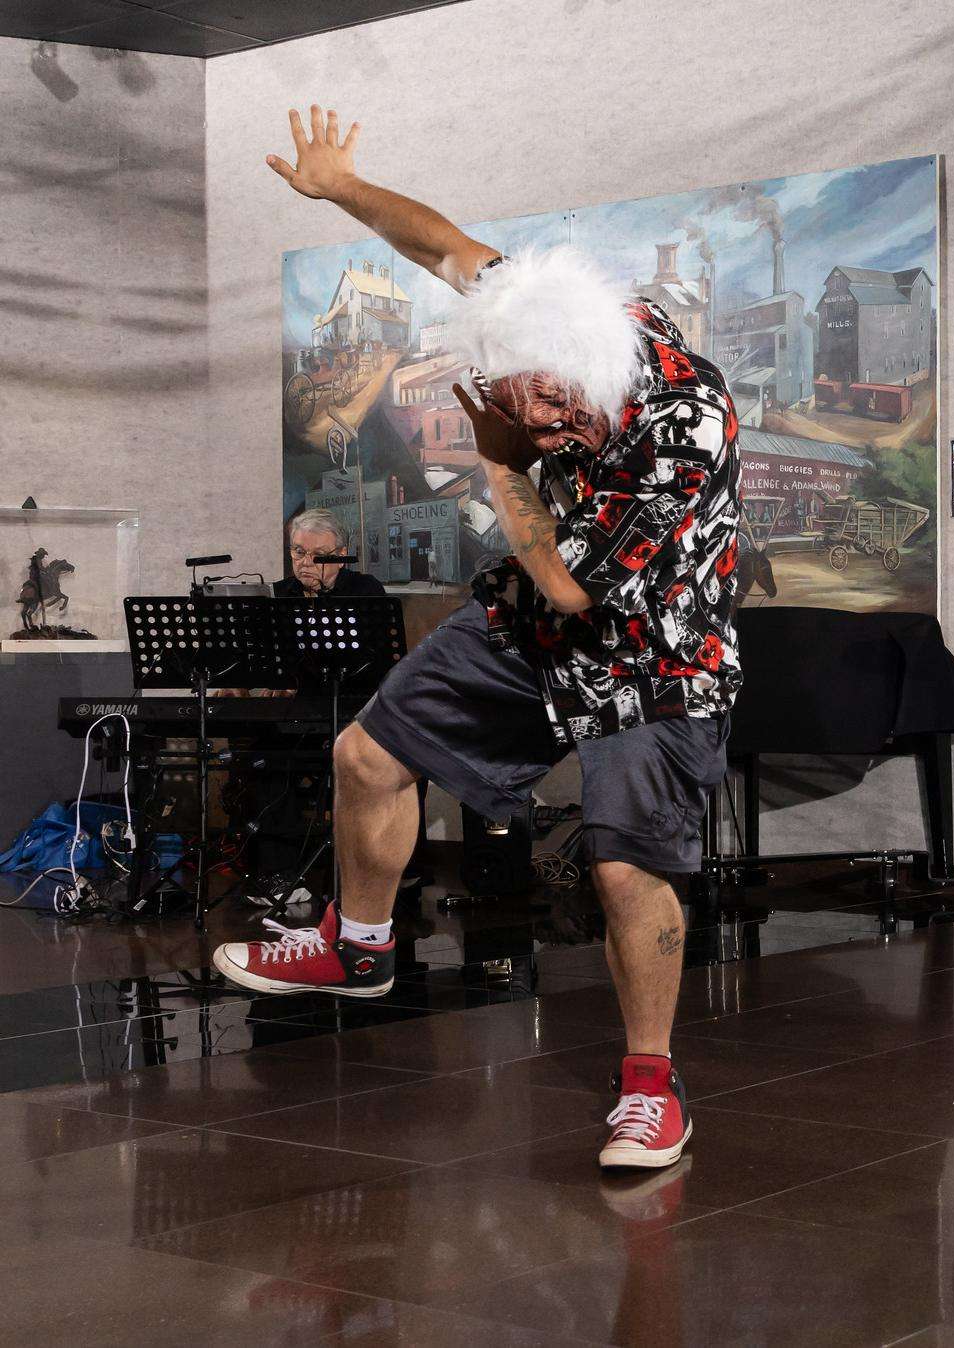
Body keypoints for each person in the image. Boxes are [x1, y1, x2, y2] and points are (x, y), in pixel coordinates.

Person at [212, 106, 743, 1172]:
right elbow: (441, 240)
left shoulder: (683, 424)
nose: (540, 425)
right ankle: (358, 951)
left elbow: (570, 584)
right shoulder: (555, 317)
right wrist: (340, 191)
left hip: (651, 646)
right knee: (366, 752)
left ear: (588, 374)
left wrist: (502, 461)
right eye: (514, 405)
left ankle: (651, 1087)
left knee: (625, 865)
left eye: (551, 412)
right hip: (538, 621)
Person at [276, 508, 386, 599]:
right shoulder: (277, 594)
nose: (306, 562)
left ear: (341, 555)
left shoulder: (366, 590)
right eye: (299, 552)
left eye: (319, 554)